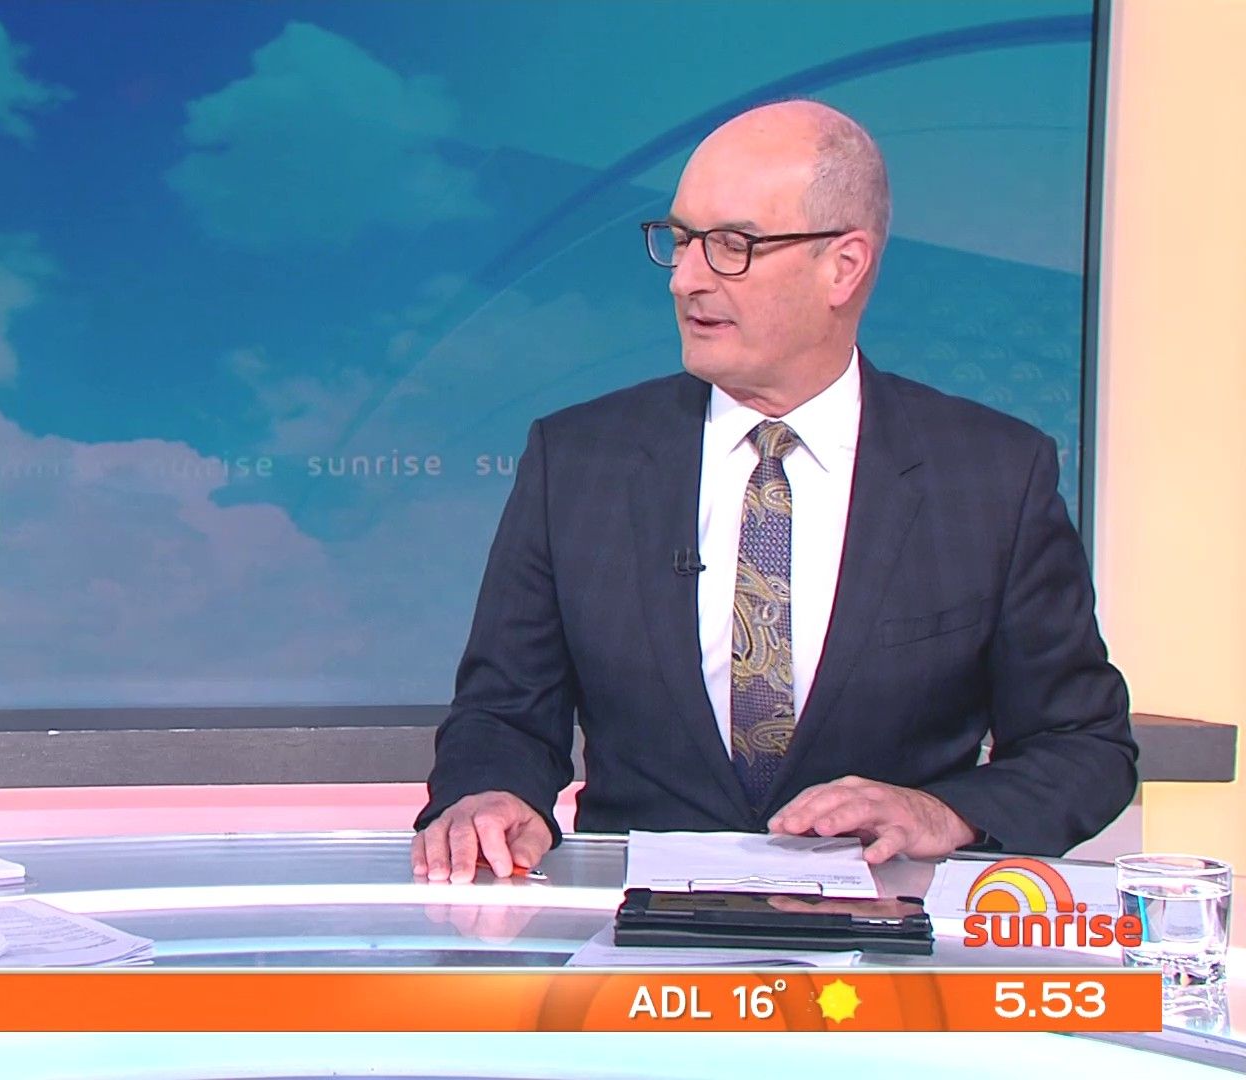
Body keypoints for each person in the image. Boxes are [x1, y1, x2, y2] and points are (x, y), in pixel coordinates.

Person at [413, 100, 1135, 883]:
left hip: (885, 932)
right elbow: (503, 715)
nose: (686, 279)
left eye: (733, 246)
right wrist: (491, 795)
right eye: (680, 241)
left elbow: (1084, 747)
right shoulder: (580, 461)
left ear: (844, 266)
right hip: (637, 933)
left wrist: (944, 811)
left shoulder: (992, 475)